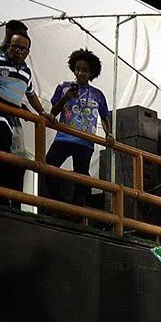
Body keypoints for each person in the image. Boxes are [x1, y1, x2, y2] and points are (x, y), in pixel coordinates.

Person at [0, 32, 53, 202]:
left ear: (28, 52)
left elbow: (31, 94)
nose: (19, 51)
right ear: (8, 46)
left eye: (23, 49)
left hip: (7, 122)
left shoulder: (26, 72)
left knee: (7, 159)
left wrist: (42, 113)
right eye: (15, 47)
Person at [46, 49, 110, 206]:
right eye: (77, 69)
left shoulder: (98, 94)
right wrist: (66, 98)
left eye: (85, 70)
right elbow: (53, 112)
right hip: (63, 137)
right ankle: (61, 203)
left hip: (85, 142)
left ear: (92, 73)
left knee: (81, 175)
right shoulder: (63, 87)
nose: (80, 73)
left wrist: (109, 134)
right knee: (47, 166)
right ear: (73, 69)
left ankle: (77, 210)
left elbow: (105, 117)